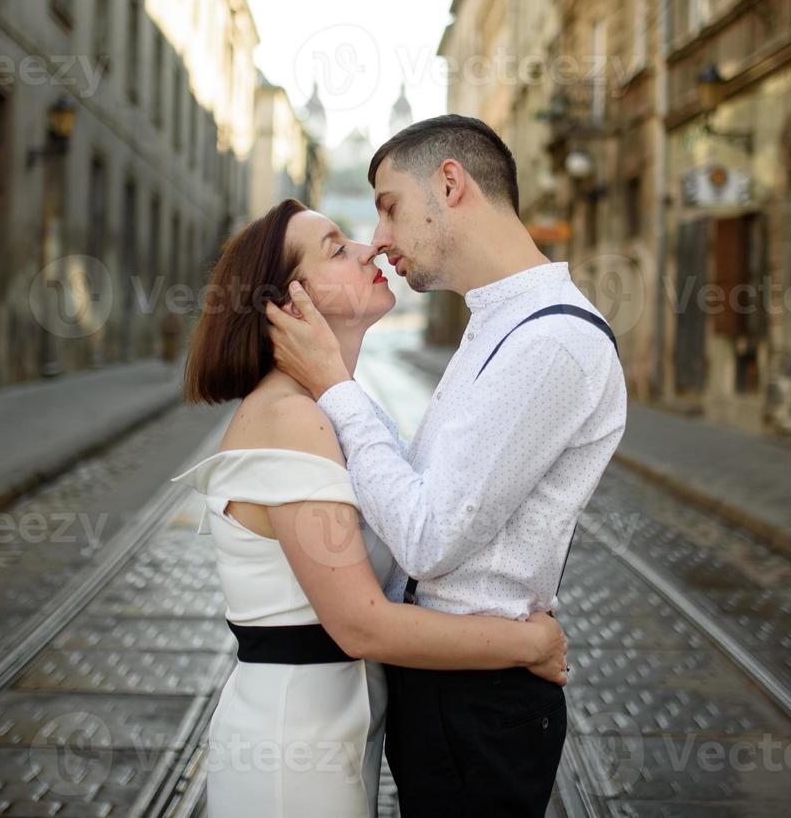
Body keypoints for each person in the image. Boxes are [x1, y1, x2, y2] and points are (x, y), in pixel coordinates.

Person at [265, 114, 629, 817]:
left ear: (451, 185)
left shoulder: (550, 342)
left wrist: (336, 388)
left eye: (389, 206)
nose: (380, 240)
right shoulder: (498, 321)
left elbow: (428, 539)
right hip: (449, 685)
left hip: (479, 705)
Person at [170, 197, 569, 818]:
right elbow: (361, 624)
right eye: (337, 247)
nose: (370, 249)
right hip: (292, 754)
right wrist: (528, 646)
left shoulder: (324, 410)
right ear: (289, 303)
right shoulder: (289, 420)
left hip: (334, 732)